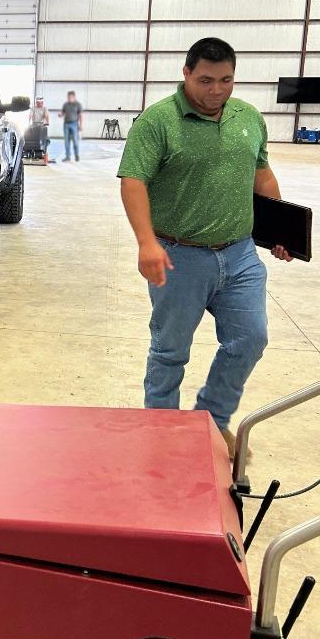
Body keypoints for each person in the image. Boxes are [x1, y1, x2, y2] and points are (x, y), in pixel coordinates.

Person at [118, 37, 293, 459]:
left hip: (240, 254)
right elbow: (133, 182)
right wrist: (146, 243)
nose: (217, 90)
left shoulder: (248, 118)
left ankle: (212, 423)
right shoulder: (158, 122)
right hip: (179, 256)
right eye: (206, 80)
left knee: (250, 338)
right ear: (186, 74)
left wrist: (280, 226)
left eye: (226, 80)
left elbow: (261, 173)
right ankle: (161, 434)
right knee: (170, 351)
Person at [58, 91, 83, 161]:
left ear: (74, 97)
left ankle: (76, 155)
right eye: (68, 97)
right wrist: (60, 114)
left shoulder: (78, 104)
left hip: (74, 124)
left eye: (70, 97)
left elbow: (81, 115)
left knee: (75, 140)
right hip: (66, 124)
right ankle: (68, 156)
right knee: (66, 141)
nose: (69, 98)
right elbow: (63, 113)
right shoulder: (65, 105)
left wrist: (81, 125)